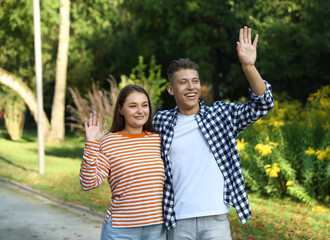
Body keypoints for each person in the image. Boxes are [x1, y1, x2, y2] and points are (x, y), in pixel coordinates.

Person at [153, 26, 275, 239]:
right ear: (171, 90)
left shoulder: (220, 115)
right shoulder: (160, 122)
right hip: (177, 219)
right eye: (183, 82)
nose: (191, 87)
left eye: (195, 81)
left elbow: (262, 104)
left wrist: (248, 66)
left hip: (216, 218)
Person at [79, 85, 166, 240]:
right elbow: (88, 183)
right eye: (133, 106)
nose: (140, 111)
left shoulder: (158, 140)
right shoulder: (109, 142)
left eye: (144, 105)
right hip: (121, 230)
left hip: (157, 229)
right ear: (120, 109)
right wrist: (91, 143)